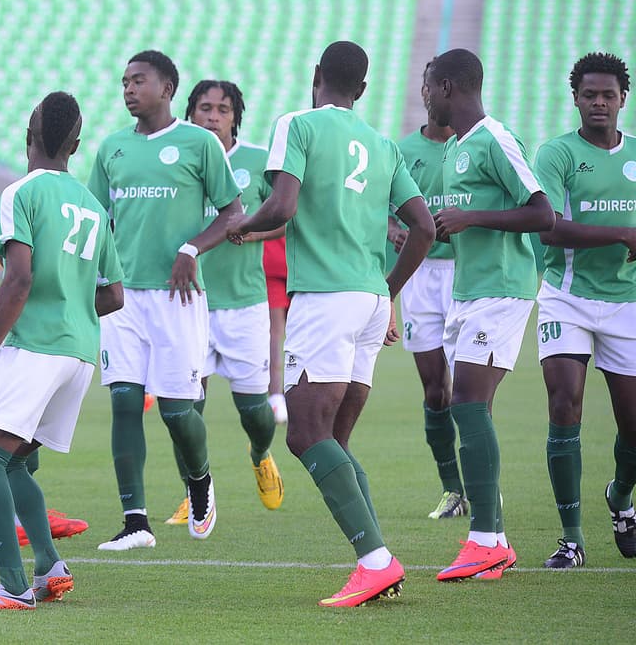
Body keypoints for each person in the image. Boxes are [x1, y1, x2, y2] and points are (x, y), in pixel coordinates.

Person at [225, 40, 435, 607]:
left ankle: (376, 561)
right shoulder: (383, 144)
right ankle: (376, 561)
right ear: (362, 89)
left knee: (304, 433)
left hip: (325, 298)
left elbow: (283, 206)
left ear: (315, 74)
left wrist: (238, 226)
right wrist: (388, 290)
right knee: (335, 439)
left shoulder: (297, 124)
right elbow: (423, 228)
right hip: (369, 300)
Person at [0, 92, 125, 610]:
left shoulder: (20, 193)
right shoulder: (92, 206)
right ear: (76, 145)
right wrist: (70, 303)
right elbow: (114, 295)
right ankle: (50, 568)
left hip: (35, 347)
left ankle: (12, 588)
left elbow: (18, 278)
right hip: (79, 353)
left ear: (28, 135)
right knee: (13, 463)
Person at [87, 50, 243, 551]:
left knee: (177, 411)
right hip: (122, 298)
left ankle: (200, 481)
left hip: (178, 298)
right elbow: (96, 221)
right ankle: (135, 521)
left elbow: (233, 213)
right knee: (124, 401)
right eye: (124, 82)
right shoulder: (111, 148)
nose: (129, 89)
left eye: (139, 81)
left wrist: (191, 248)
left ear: (167, 88)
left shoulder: (200, 143)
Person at [425, 47, 556, 581]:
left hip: (502, 289)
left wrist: (471, 217)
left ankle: (482, 540)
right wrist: (441, 227)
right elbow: (465, 221)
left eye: (428, 87)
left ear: (448, 87)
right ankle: (496, 541)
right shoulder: (455, 148)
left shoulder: (495, 138)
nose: (425, 97)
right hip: (468, 290)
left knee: (468, 404)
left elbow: (543, 213)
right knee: (470, 407)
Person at [532, 51, 636, 568]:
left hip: (627, 303)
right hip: (566, 298)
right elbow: (548, 227)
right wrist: (622, 233)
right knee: (564, 403)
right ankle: (571, 540)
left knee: (633, 427)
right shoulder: (557, 154)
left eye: (607, 95)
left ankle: (620, 497)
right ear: (575, 98)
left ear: (623, 99)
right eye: (589, 94)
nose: (599, 102)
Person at [164, 80, 283, 525]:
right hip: (186, 302)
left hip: (243, 304)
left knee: (255, 412)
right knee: (183, 410)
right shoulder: (176, 160)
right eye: (205, 108)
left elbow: (287, 216)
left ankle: (260, 453)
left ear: (236, 117)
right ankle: (195, 492)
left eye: (223, 109)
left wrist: (251, 230)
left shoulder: (257, 161)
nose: (213, 116)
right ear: (190, 113)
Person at [388, 62, 466, 520]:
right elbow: (377, 207)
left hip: (466, 275)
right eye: (426, 85)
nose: (430, 92)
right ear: (423, 91)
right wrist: (393, 229)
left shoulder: (473, 145)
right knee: (435, 390)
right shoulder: (401, 150)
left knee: (469, 394)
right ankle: (452, 489)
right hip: (419, 276)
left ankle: (483, 487)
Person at [262, 237, 289, 425]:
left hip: (287, 262)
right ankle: (278, 399)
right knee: (275, 334)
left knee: (275, 334)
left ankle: (277, 399)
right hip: (296, 263)